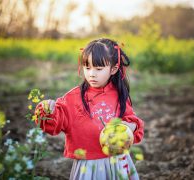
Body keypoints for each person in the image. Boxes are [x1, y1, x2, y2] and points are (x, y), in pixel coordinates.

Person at [35, 38, 144, 180]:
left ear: (113, 69)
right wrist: (48, 111)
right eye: (87, 68)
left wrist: (128, 126)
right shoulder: (73, 97)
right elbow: (55, 123)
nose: (92, 74)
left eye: (98, 69)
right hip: (88, 165)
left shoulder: (119, 95)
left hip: (118, 162)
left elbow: (133, 122)